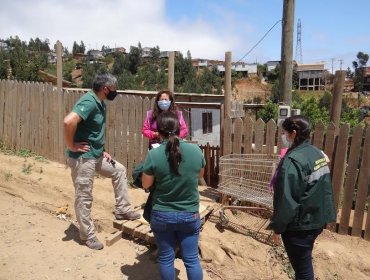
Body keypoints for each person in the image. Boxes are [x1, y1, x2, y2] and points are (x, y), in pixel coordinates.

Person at [63, 73, 140, 250]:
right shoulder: (89, 102)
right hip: (83, 158)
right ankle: (87, 235)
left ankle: (123, 210)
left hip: (96, 155)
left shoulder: (100, 103)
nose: (115, 91)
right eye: (114, 88)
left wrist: (101, 149)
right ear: (106, 88)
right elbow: (68, 122)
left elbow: (91, 131)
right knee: (84, 195)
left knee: (119, 170)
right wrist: (72, 146)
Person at [267, 115, 336, 280]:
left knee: (303, 271)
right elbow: (325, 189)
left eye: (284, 133)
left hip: (299, 227)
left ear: (293, 133)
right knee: (303, 265)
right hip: (315, 220)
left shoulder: (293, 160)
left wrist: (278, 227)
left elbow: (286, 200)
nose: (283, 137)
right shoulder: (316, 153)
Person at [141, 111, 205, 280]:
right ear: (180, 128)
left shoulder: (153, 154)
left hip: (162, 215)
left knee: (166, 259)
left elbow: (146, 184)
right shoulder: (196, 151)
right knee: (191, 260)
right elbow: (199, 175)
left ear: (158, 132)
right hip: (190, 214)